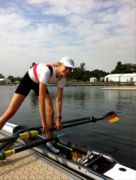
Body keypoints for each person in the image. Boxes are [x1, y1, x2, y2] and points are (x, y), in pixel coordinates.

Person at [0, 56, 75, 153]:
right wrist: (43, 123)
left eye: (71, 69)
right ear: (60, 65)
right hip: (29, 79)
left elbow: (59, 99)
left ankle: (49, 142)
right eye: (67, 67)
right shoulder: (46, 71)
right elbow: (41, 99)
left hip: (39, 82)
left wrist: (58, 119)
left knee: (51, 112)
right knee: (10, 112)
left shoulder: (63, 77)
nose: (68, 71)